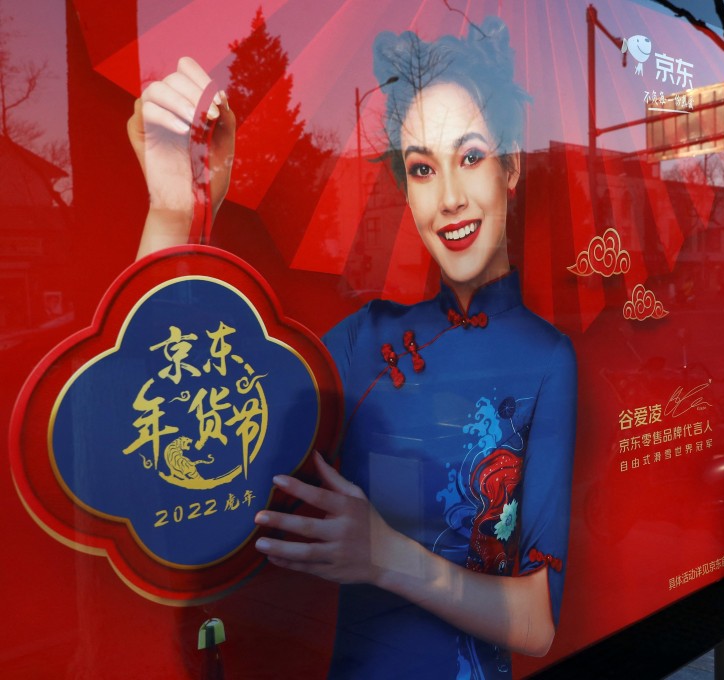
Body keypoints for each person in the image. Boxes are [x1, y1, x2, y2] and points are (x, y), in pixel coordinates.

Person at [129, 17, 577, 679]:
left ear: (510, 167)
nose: (449, 198)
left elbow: (537, 622)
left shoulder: (547, 359)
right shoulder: (367, 341)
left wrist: (384, 557)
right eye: (422, 168)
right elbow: (189, 419)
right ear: (406, 187)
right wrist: (173, 208)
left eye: (472, 157)